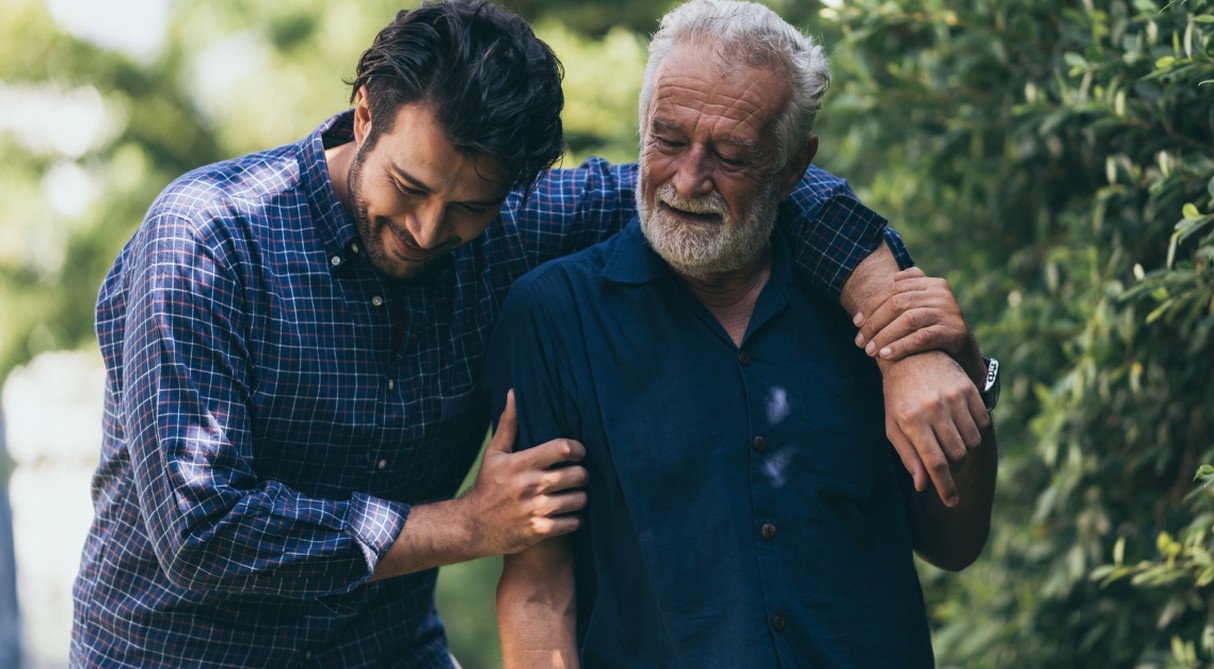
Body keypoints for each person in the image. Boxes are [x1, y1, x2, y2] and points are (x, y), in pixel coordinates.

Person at [71, 1, 984, 667]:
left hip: (383, 653)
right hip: (174, 654)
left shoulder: (514, 221)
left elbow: (751, 187)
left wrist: (902, 334)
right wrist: (467, 523)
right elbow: (202, 529)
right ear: (363, 116)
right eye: (411, 187)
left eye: (467, 206)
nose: (429, 231)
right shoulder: (207, 240)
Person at [483, 1, 999, 667]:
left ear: (792, 169)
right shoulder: (553, 315)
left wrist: (961, 367)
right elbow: (538, 587)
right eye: (667, 140)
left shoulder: (872, 304)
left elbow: (954, 543)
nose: (690, 179)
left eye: (730, 154)